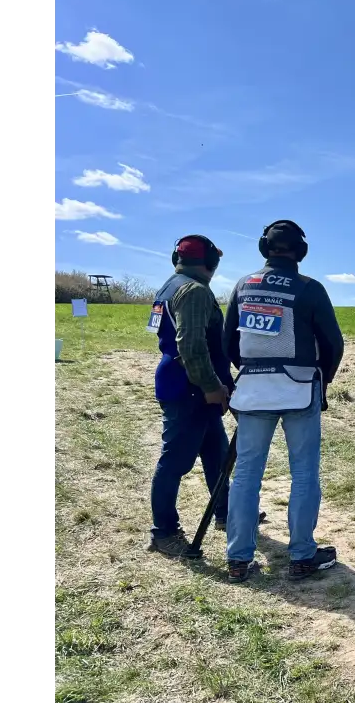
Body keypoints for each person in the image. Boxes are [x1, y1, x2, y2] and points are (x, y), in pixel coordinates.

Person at [222, 220, 345, 583]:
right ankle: (302, 555)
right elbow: (334, 344)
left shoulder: (243, 285)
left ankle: (238, 558)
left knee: (246, 475)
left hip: (252, 390)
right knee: (304, 473)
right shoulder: (310, 288)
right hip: (300, 388)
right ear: (301, 252)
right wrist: (323, 381)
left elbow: (229, 342)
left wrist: (251, 370)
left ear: (264, 248)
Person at [145, 235, 236, 558]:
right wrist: (211, 386)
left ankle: (226, 512)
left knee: (216, 453)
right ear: (210, 262)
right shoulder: (194, 291)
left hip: (184, 384)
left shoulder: (167, 288)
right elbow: (191, 346)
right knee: (174, 462)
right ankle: (164, 533)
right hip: (191, 390)